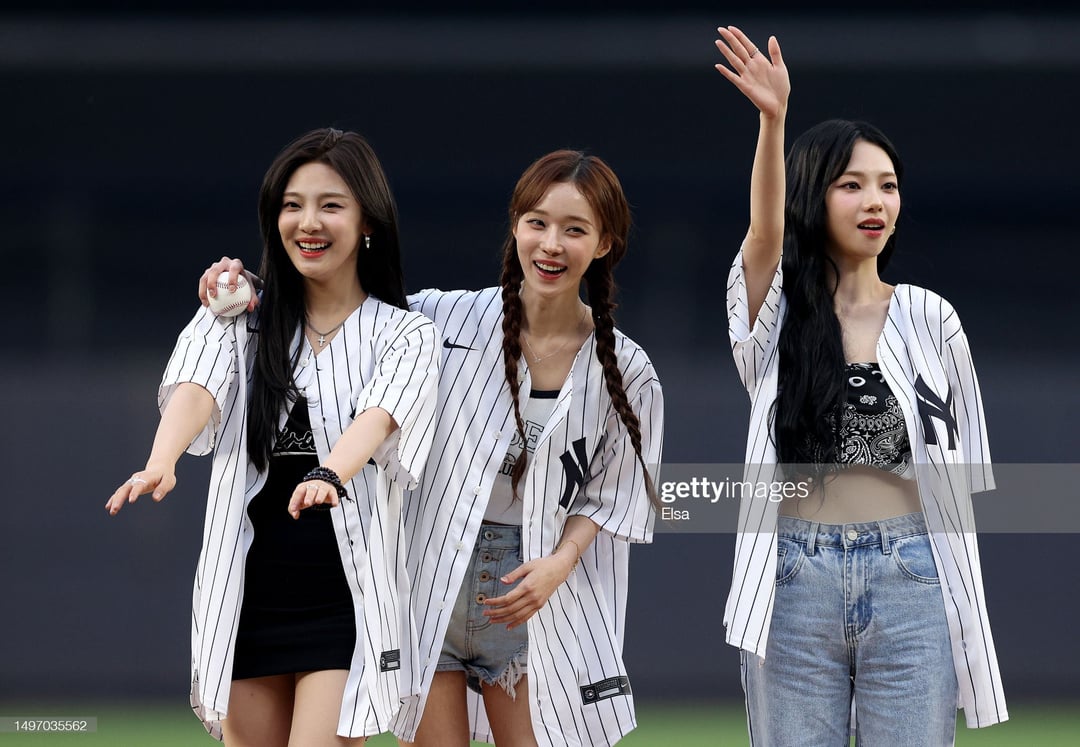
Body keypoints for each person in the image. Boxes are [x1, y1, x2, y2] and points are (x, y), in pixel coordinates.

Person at [200, 149, 663, 747]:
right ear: (516, 226)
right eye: (537, 222)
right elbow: (339, 306)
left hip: (531, 592)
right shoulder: (439, 318)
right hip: (427, 582)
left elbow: (616, 494)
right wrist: (247, 288)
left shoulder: (630, 369)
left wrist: (559, 563)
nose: (551, 244)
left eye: (574, 230)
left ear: (604, 243)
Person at [714, 25, 1007, 745]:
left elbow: (964, 473)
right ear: (816, 196)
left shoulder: (932, 316)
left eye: (888, 185)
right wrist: (773, 121)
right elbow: (763, 236)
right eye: (852, 184)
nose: (876, 200)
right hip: (794, 576)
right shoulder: (778, 309)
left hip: (911, 571)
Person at [107, 128, 440, 746]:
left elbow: (381, 415)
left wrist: (329, 473)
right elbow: (197, 385)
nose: (308, 221)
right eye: (292, 204)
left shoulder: (404, 333)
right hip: (245, 603)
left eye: (330, 204)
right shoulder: (240, 314)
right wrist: (162, 459)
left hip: (348, 607)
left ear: (368, 219)